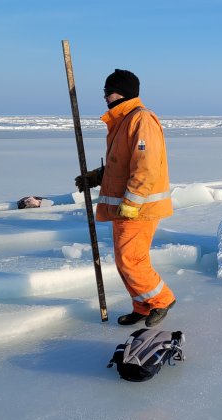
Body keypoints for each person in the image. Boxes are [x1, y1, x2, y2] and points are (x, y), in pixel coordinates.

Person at [75, 69, 176, 326]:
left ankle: (161, 299)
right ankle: (142, 306)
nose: (105, 97)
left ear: (122, 92)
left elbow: (146, 166)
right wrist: (97, 177)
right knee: (124, 260)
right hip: (127, 208)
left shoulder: (141, 119)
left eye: (108, 92)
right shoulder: (122, 121)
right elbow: (122, 164)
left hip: (139, 207)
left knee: (131, 259)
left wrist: (132, 203)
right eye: (105, 92)